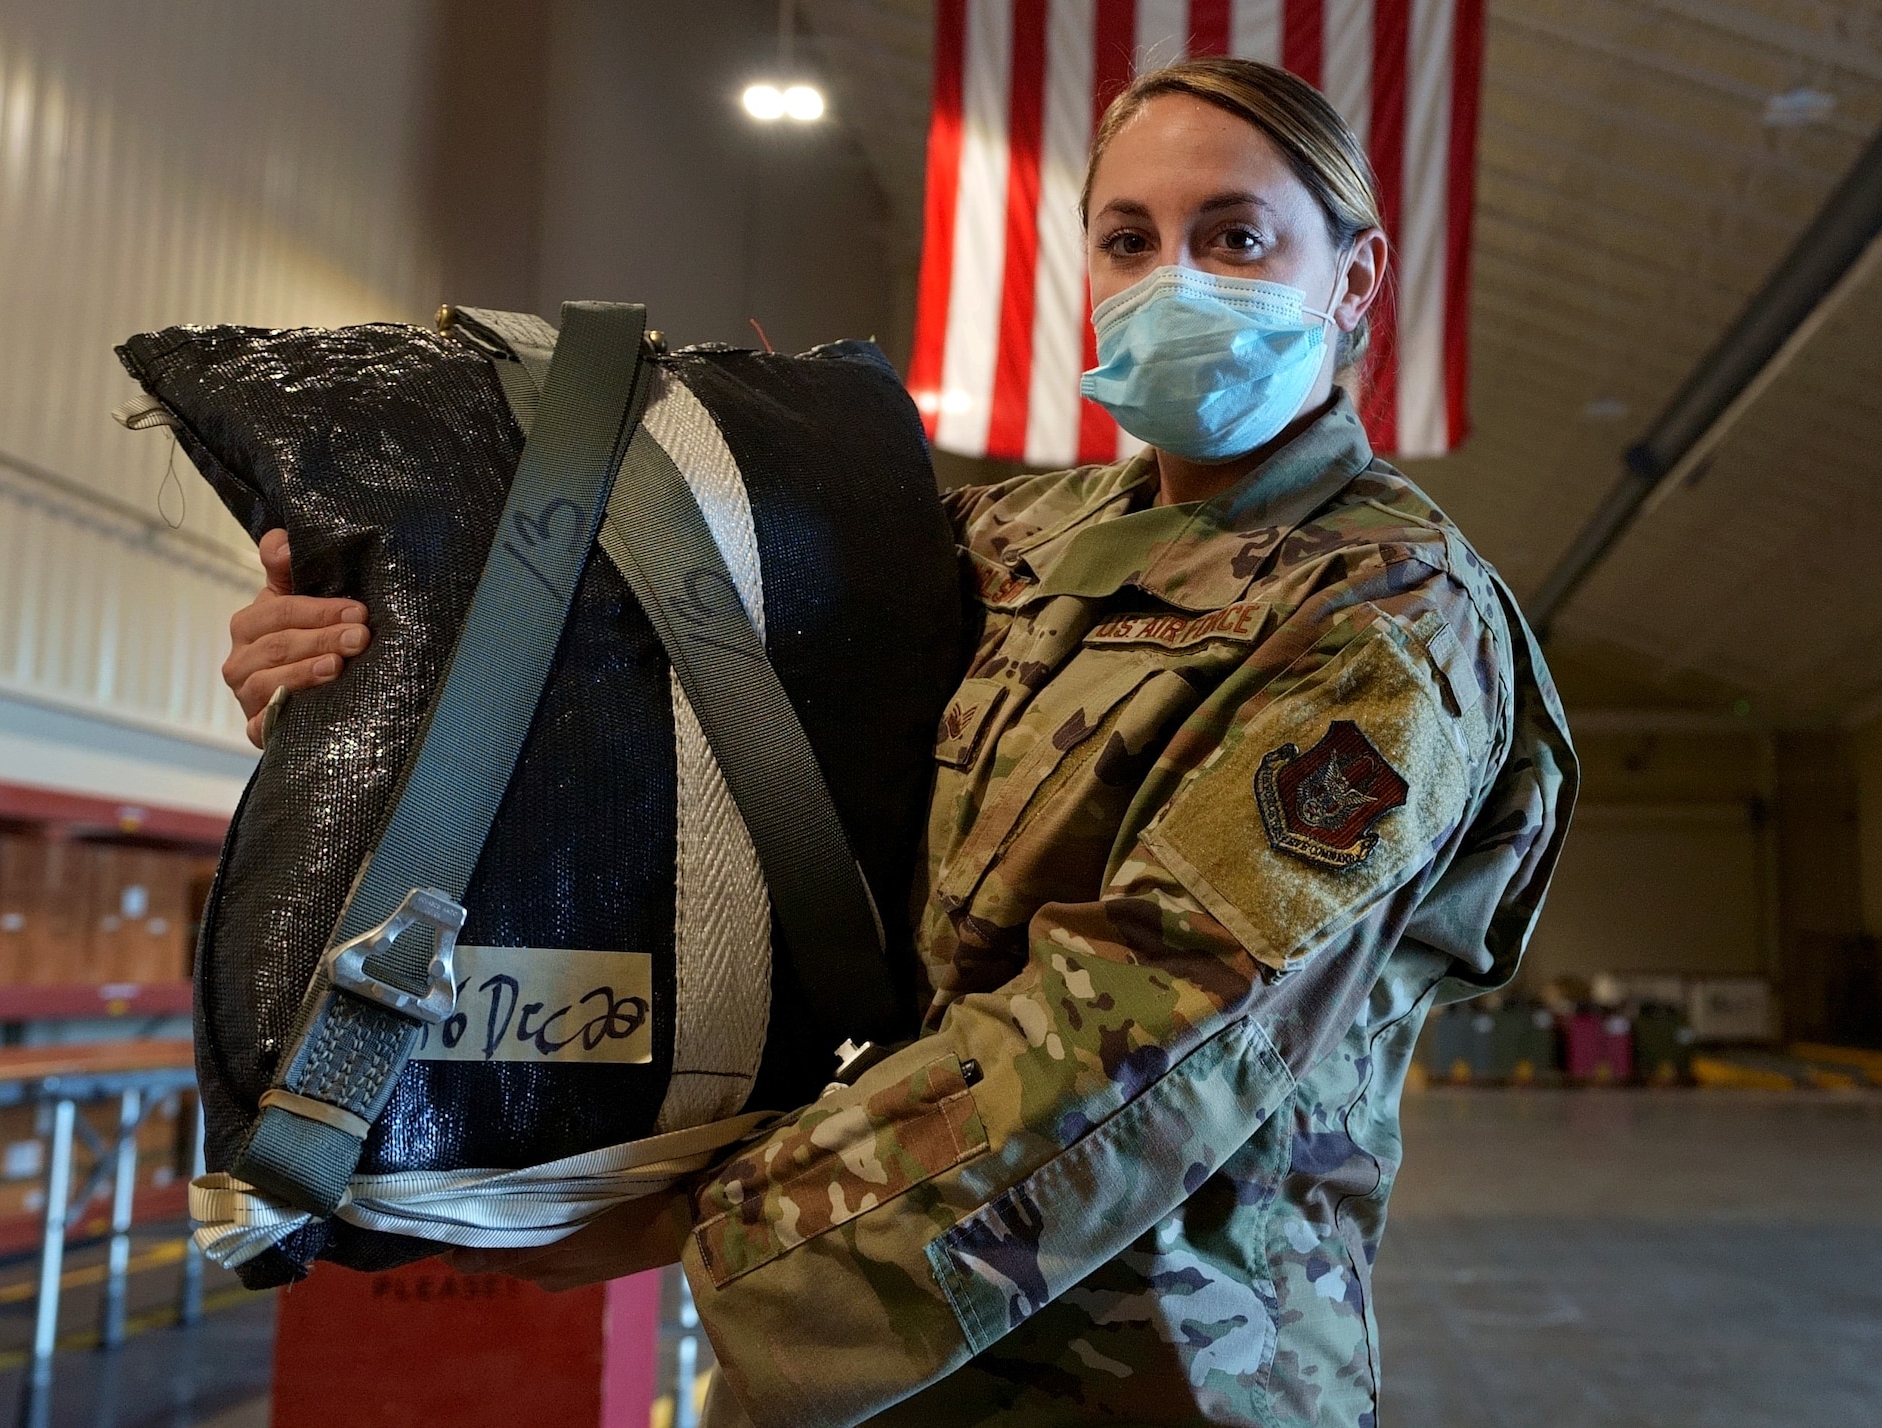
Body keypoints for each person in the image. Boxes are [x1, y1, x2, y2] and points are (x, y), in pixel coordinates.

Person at [220, 56, 1575, 1428]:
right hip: (859, 1356)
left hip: (1154, 1372)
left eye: (1234, 236)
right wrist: (374, 669)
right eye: (1129, 240)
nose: (1174, 277)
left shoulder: (1386, 625)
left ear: (1352, 280)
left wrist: (710, 1229)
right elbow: (653, 718)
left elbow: (1156, 1031)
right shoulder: (1006, 545)